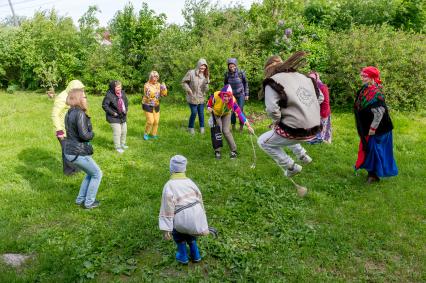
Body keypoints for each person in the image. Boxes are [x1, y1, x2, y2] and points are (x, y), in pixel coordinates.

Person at [257, 52, 323, 178]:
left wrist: (277, 121)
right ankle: (303, 155)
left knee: (263, 141)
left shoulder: (272, 82)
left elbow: (272, 109)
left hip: (295, 130)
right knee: (281, 133)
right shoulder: (305, 77)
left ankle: (291, 166)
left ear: (269, 69)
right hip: (314, 129)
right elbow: (320, 98)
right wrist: (305, 109)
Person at [159, 155, 209, 264]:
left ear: (171, 169)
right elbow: (199, 198)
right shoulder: (191, 182)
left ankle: (183, 255)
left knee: (178, 234)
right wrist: (202, 216)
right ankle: (196, 254)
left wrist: (166, 228)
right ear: (185, 169)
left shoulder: (169, 186)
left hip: (181, 218)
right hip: (196, 215)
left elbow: (167, 207)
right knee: (190, 234)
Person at [354, 66, 398, 184]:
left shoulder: (376, 93)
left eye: (365, 76)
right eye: (362, 75)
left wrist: (373, 128)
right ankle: (372, 174)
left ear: (372, 78)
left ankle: (373, 175)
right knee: (369, 150)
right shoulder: (365, 89)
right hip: (368, 127)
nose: (362, 78)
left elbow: (379, 112)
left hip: (379, 129)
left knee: (374, 151)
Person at [64, 89, 103, 209]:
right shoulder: (80, 113)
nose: (86, 99)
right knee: (97, 174)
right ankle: (89, 203)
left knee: (90, 173)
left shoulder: (69, 112)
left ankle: (80, 199)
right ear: (79, 99)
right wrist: (92, 134)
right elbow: (84, 135)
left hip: (70, 151)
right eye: (84, 97)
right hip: (78, 152)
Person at [207, 84, 254, 159]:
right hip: (216, 114)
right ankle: (217, 151)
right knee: (218, 130)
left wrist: (248, 126)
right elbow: (209, 104)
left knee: (226, 131)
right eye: (224, 96)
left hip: (226, 114)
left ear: (230, 96)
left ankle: (234, 150)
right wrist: (209, 108)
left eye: (227, 96)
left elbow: (240, 113)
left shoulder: (233, 101)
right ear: (221, 95)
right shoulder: (215, 96)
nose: (225, 98)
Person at [51, 80, 84, 175]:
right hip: (63, 130)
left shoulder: (75, 95)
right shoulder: (62, 98)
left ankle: (77, 169)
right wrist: (59, 131)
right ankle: (69, 172)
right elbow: (55, 114)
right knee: (67, 152)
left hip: (73, 129)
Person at [182, 59, 209, 135]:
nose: (203, 67)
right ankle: (190, 127)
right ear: (198, 65)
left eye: (204, 66)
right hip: (192, 97)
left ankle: (202, 127)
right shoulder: (191, 73)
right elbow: (184, 82)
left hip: (201, 97)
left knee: (201, 113)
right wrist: (188, 90)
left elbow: (206, 89)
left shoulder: (205, 75)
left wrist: (206, 85)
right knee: (194, 112)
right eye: (201, 65)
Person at [102, 80, 129, 153]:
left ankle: (122, 144)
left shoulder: (122, 93)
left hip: (122, 115)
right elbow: (104, 105)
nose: (119, 89)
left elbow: (126, 102)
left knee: (124, 131)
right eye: (117, 87)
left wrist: (126, 109)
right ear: (113, 88)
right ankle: (117, 147)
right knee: (118, 131)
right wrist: (112, 113)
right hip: (113, 116)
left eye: (120, 87)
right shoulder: (109, 95)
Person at [224, 58, 249, 132]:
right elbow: (225, 84)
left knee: (240, 110)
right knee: (232, 110)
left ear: (236, 65)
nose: (232, 68)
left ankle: (241, 126)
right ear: (228, 67)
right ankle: (233, 125)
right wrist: (226, 94)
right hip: (231, 95)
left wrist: (246, 94)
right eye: (230, 66)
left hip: (241, 94)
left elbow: (246, 83)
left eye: (233, 66)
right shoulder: (227, 74)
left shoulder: (241, 73)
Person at [308, 71, 332, 144]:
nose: (311, 80)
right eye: (310, 78)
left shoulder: (322, 86)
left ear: (316, 78)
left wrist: (322, 112)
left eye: (313, 78)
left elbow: (325, 101)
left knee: (323, 125)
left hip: (323, 109)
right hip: (316, 109)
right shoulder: (312, 86)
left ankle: (322, 139)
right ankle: (316, 138)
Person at [142, 71, 168, 140]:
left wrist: (164, 89)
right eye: (154, 77)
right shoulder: (146, 85)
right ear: (150, 77)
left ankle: (153, 134)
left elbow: (163, 95)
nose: (155, 79)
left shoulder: (159, 85)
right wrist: (157, 94)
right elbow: (149, 95)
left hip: (156, 105)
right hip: (147, 104)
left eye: (156, 77)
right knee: (150, 121)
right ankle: (146, 133)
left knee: (156, 121)